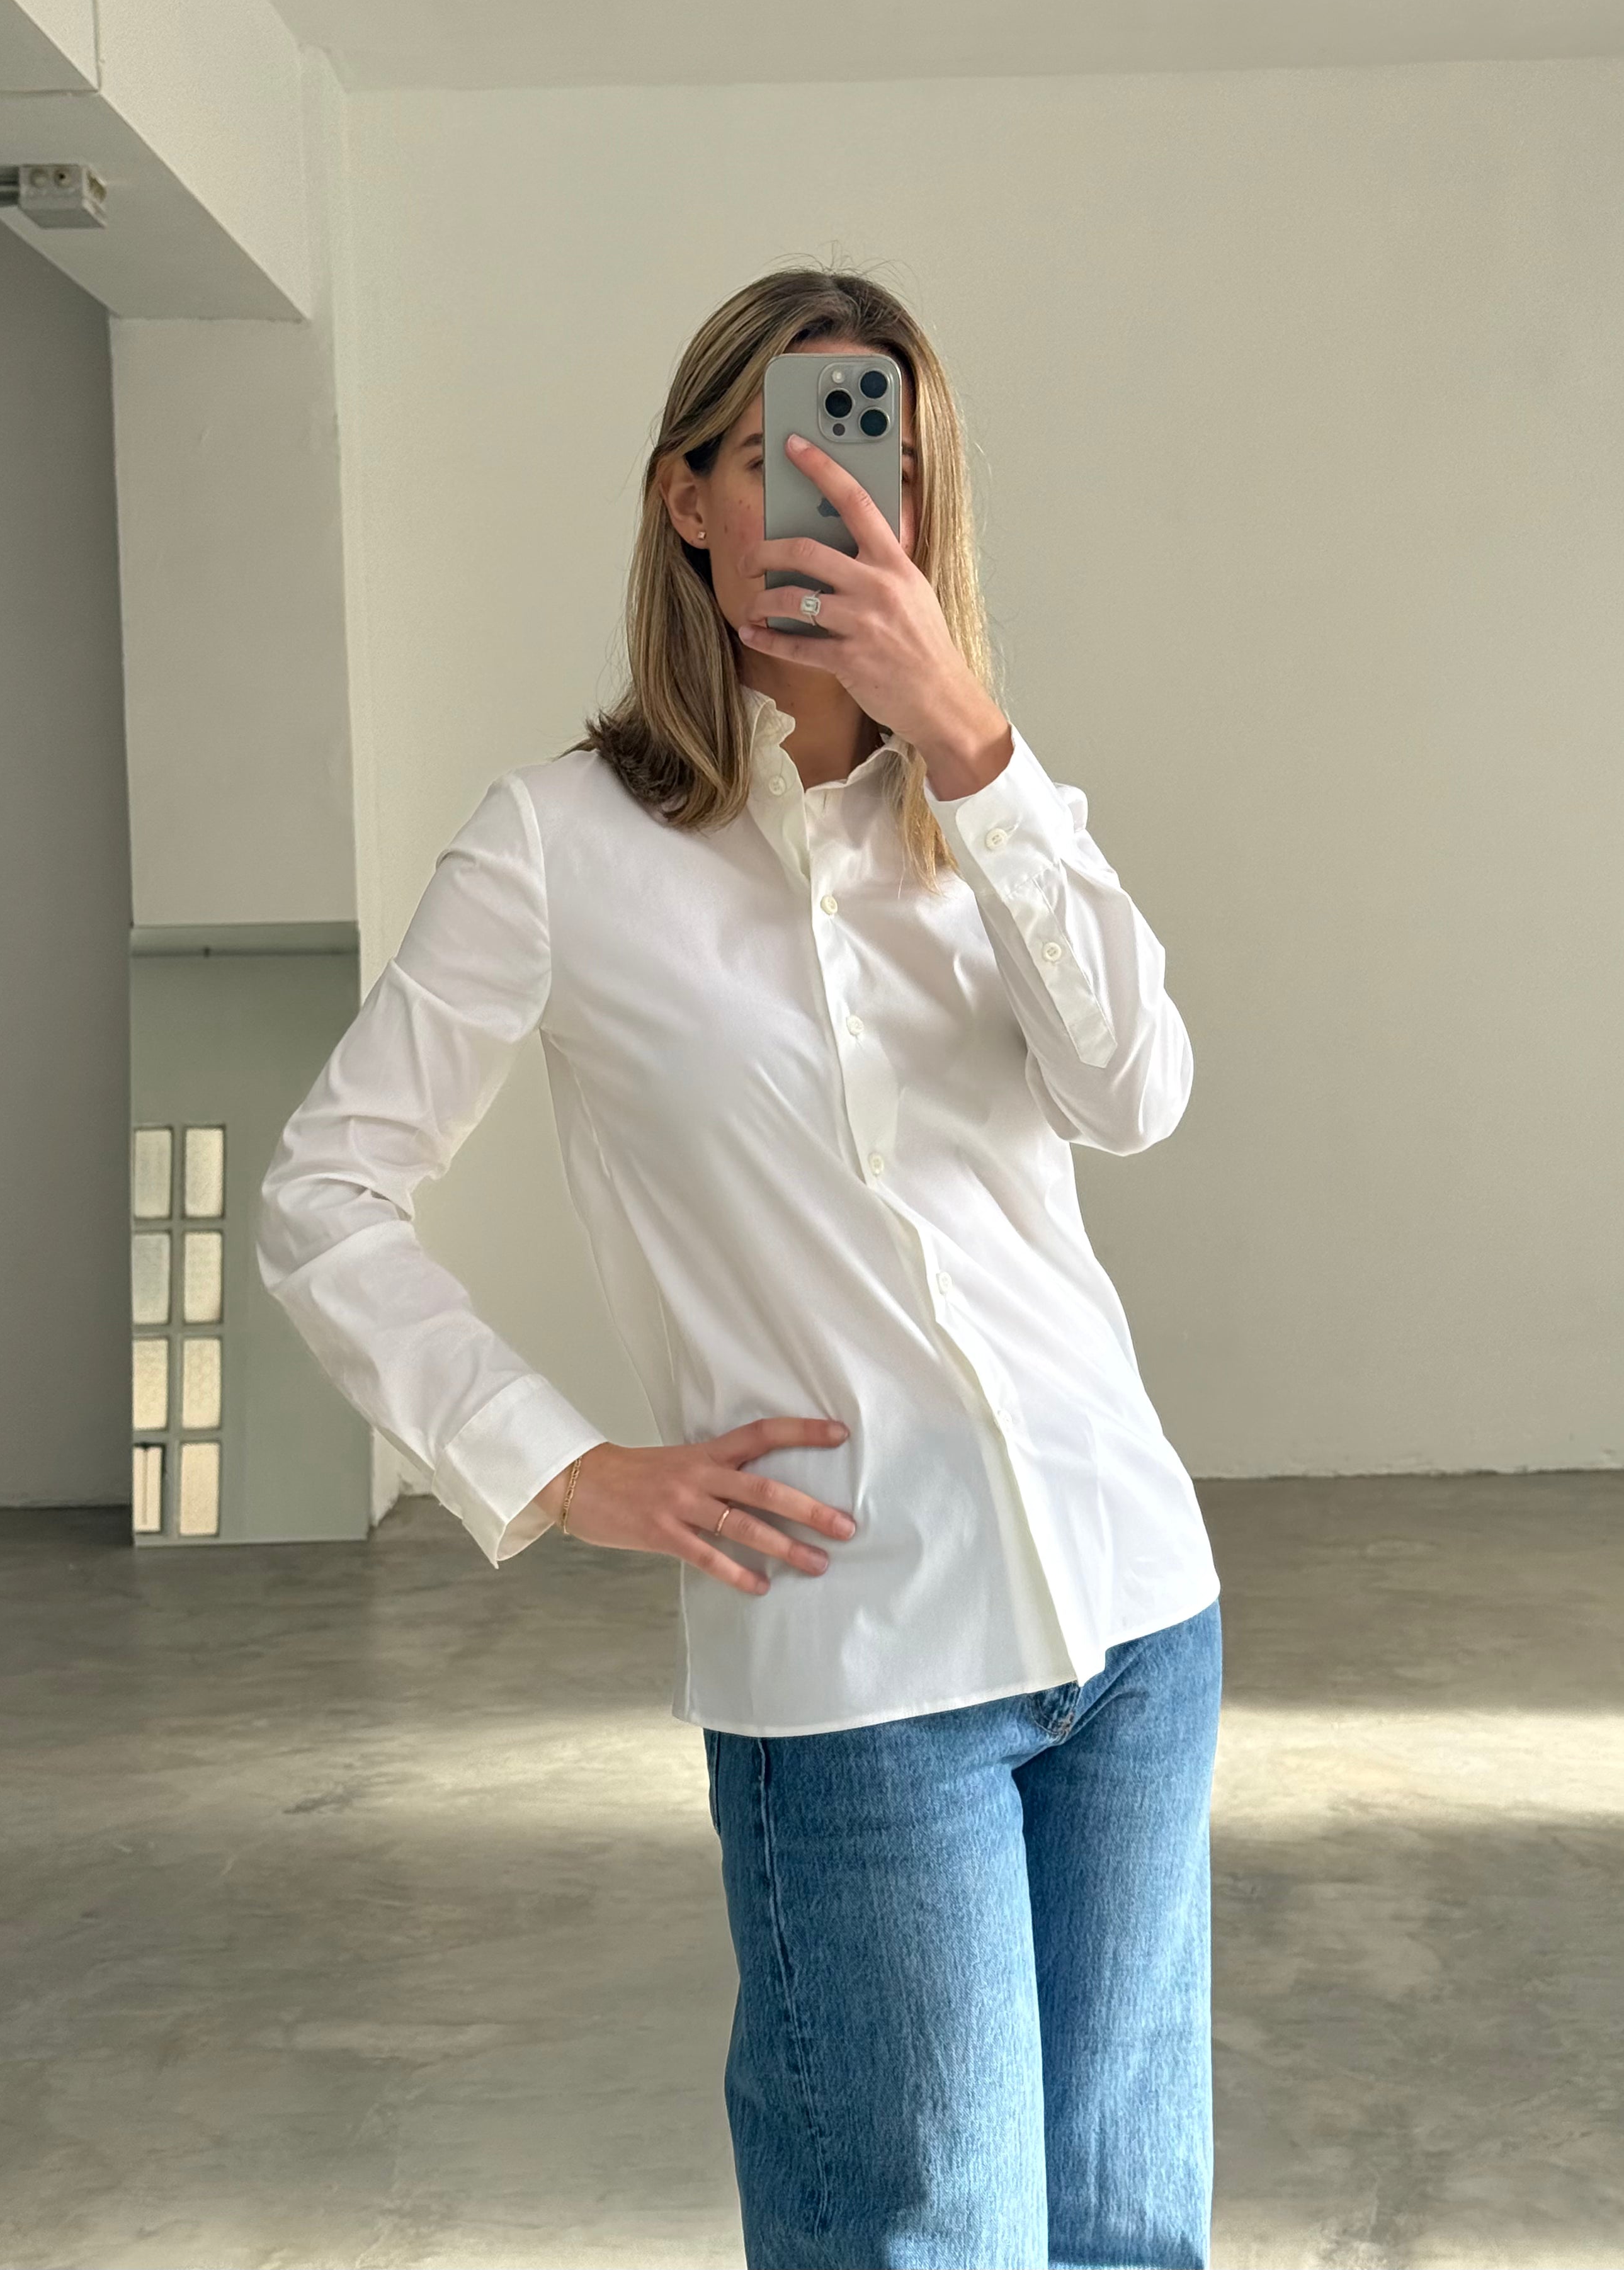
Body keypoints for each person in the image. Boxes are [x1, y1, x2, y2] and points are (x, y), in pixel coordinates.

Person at [256, 264, 1223, 2270]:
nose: (840, 500)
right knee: (923, 2236)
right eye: (788, 453)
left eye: (887, 462)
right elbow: (323, 1192)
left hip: (1137, 1612)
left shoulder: (992, 811)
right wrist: (557, 1466)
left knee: (1132, 2233)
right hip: (860, 1669)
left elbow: (1137, 1090)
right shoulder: (557, 845)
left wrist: (974, 741)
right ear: (690, 495)